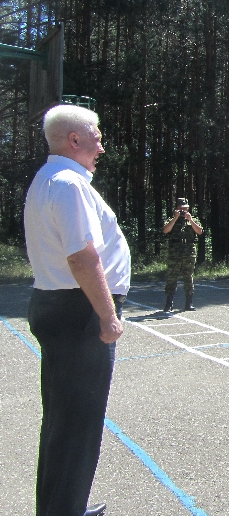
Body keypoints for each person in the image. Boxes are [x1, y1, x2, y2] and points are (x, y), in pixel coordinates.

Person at [24, 104, 129, 516]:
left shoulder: (48, 179)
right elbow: (83, 258)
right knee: (78, 426)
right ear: (75, 139)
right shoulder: (68, 183)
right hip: (77, 312)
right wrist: (107, 316)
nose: (101, 146)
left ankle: (60, 507)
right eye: (97, 137)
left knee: (63, 421)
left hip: (59, 305)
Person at [163, 197, 204, 312]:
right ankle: (169, 303)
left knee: (188, 278)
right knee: (172, 278)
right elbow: (166, 230)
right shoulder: (171, 219)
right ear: (177, 209)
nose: (183, 211)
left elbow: (200, 231)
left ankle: (188, 303)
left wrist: (190, 220)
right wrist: (175, 218)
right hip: (174, 253)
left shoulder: (192, 219)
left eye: (185, 209)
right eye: (181, 209)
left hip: (189, 252)